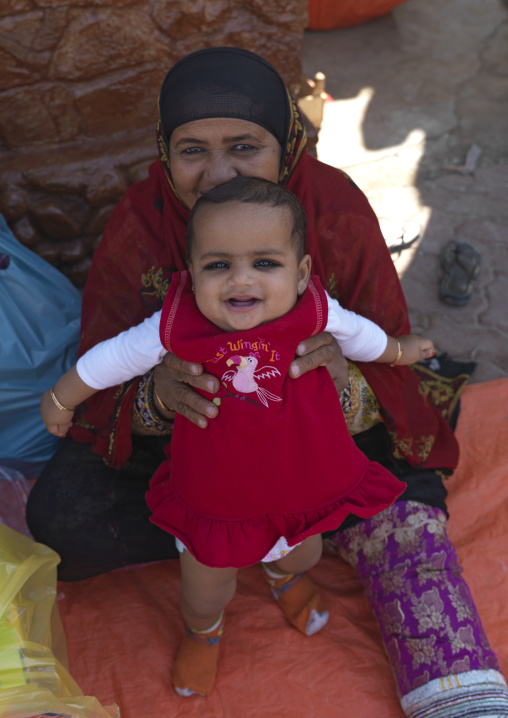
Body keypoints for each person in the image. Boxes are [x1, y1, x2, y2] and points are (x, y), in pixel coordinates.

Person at [27, 47, 508, 716]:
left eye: (245, 147)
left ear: (287, 148)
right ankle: (235, 549)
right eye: (193, 150)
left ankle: (447, 684)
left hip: (318, 443)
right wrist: (157, 395)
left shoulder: (333, 210)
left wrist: (342, 381)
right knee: (61, 519)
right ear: (163, 153)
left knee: (408, 512)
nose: (217, 172)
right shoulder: (140, 224)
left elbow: (381, 345)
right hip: (198, 461)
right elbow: (108, 366)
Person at [41, 175, 433, 695]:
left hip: (301, 489)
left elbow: (365, 337)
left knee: (304, 554)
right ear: (191, 273)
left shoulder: (315, 311)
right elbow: (110, 359)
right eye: (218, 265)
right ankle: (204, 632)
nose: (240, 280)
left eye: (264, 263)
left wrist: (401, 352)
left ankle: (283, 577)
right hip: (213, 500)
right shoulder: (176, 323)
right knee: (206, 588)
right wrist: (62, 397)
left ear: (301, 273)